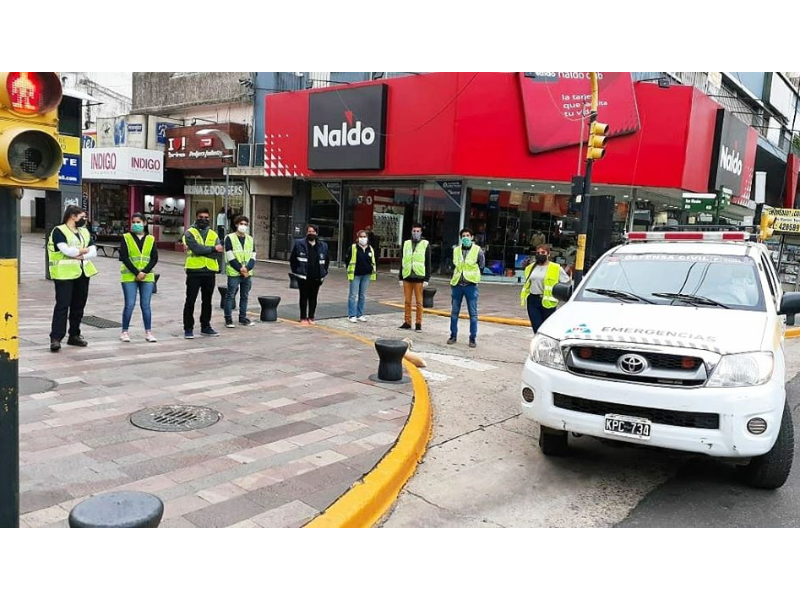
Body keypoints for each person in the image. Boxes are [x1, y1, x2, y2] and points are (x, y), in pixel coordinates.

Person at [48, 206, 98, 352]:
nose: (84, 220)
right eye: (82, 217)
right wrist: (83, 250)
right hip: (64, 274)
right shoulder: (59, 231)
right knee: (62, 306)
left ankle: (74, 335)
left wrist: (82, 254)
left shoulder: (84, 231)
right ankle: (56, 338)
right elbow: (66, 250)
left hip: (82, 273)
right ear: (72, 216)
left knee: (78, 306)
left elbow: (94, 250)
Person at [183, 209, 223, 339]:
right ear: (196, 217)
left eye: (206, 217)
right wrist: (211, 249)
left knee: (207, 301)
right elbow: (196, 249)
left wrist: (206, 251)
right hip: (194, 271)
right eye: (201, 217)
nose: (204, 219)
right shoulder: (189, 233)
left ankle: (205, 326)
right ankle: (188, 328)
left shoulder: (213, 234)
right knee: (190, 300)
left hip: (210, 272)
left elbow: (219, 252)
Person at [119, 213, 159, 343]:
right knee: (129, 304)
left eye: (138, 222)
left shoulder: (151, 239)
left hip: (147, 276)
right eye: (134, 222)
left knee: (146, 305)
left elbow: (154, 258)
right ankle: (124, 331)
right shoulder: (126, 237)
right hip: (129, 275)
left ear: (144, 223)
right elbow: (124, 257)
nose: (135, 224)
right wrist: (137, 272)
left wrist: (144, 272)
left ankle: (148, 332)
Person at [521, 245, 571, 333]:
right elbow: (528, 284)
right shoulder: (530, 268)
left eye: (543, 252)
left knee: (547, 329)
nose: (540, 254)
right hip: (533, 300)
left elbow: (565, 282)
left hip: (548, 302)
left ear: (548, 254)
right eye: (538, 253)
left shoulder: (556, 268)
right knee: (537, 328)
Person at [448, 228, 485, 349]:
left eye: (468, 235)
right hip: (457, 284)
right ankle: (453, 335)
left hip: (471, 285)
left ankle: (472, 338)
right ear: (460, 238)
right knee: (454, 312)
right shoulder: (456, 250)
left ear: (472, 237)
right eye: (463, 236)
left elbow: (481, 265)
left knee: (473, 314)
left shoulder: (477, 250)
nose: (465, 237)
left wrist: (475, 277)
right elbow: (455, 265)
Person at [290, 225, 330, 325]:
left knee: (313, 298)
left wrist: (324, 272)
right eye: (309, 231)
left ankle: (311, 317)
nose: (311, 233)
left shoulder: (323, 246)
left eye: (313, 231)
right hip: (303, 276)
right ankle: (303, 317)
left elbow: (327, 260)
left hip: (316, 276)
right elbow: (293, 259)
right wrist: (296, 271)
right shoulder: (299, 244)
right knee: (303, 297)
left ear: (316, 233)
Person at [224, 215, 256, 328]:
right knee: (230, 295)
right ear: (236, 224)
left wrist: (247, 269)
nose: (243, 226)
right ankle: (228, 319)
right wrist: (240, 269)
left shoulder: (250, 239)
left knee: (245, 296)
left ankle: (243, 318)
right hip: (234, 272)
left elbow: (253, 256)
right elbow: (229, 255)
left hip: (247, 273)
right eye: (241, 224)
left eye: (245, 224)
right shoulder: (229, 238)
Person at [399, 223, 431, 332]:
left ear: (421, 232)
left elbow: (428, 263)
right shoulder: (406, 244)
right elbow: (402, 260)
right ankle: (407, 322)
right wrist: (400, 277)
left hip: (419, 278)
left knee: (419, 302)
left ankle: (418, 323)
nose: (415, 233)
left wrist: (427, 278)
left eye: (418, 231)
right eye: (414, 231)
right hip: (407, 276)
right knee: (407, 302)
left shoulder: (425, 244)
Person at [345, 230, 377, 323]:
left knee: (362, 295)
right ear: (358, 238)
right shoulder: (353, 247)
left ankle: (360, 314)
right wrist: (349, 271)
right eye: (361, 236)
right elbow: (347, 260)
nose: (363, 238)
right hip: (356, 274)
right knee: (353, 295)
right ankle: (352, 315)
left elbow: (373, 261)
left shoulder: (370, 248)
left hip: (366, 275)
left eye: (364, 236)